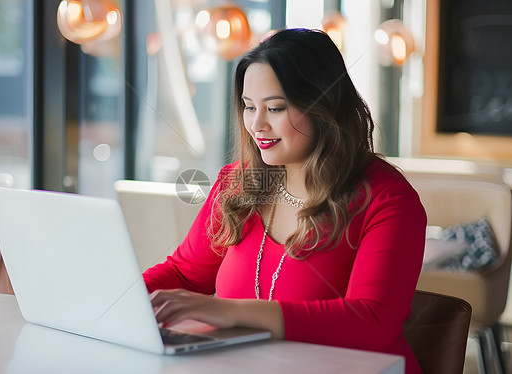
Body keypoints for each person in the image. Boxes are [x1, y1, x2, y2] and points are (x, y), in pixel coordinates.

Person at [145, 28, 426, 374]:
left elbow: (372, 322)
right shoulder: (239, 184)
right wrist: (115, 297)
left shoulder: (386, 197)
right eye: (249, 107)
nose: (256, 125)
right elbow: (183, 275)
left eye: (275, 108)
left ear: (323, 106)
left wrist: (230, 310)